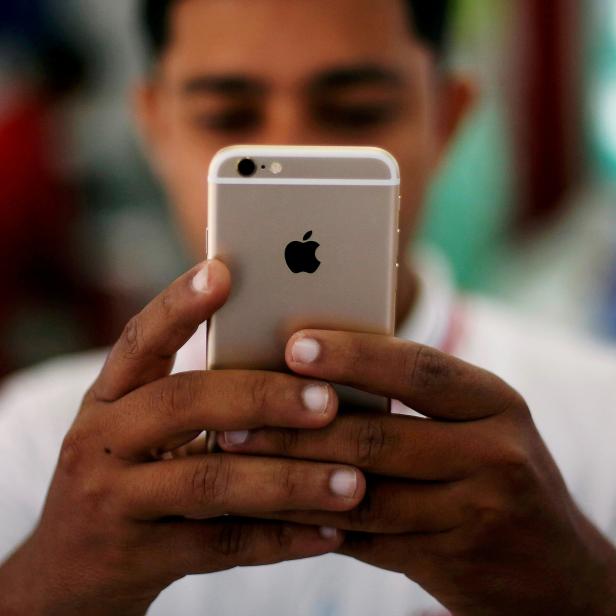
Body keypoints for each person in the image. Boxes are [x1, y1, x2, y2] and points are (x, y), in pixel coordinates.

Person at [1, 1, 616, 614]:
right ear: (155, 127)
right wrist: (48, 587)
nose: (289, 150)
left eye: (356, 112)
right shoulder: (34, 445)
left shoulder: (599, 419)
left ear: (446, 120)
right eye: (227, 115)